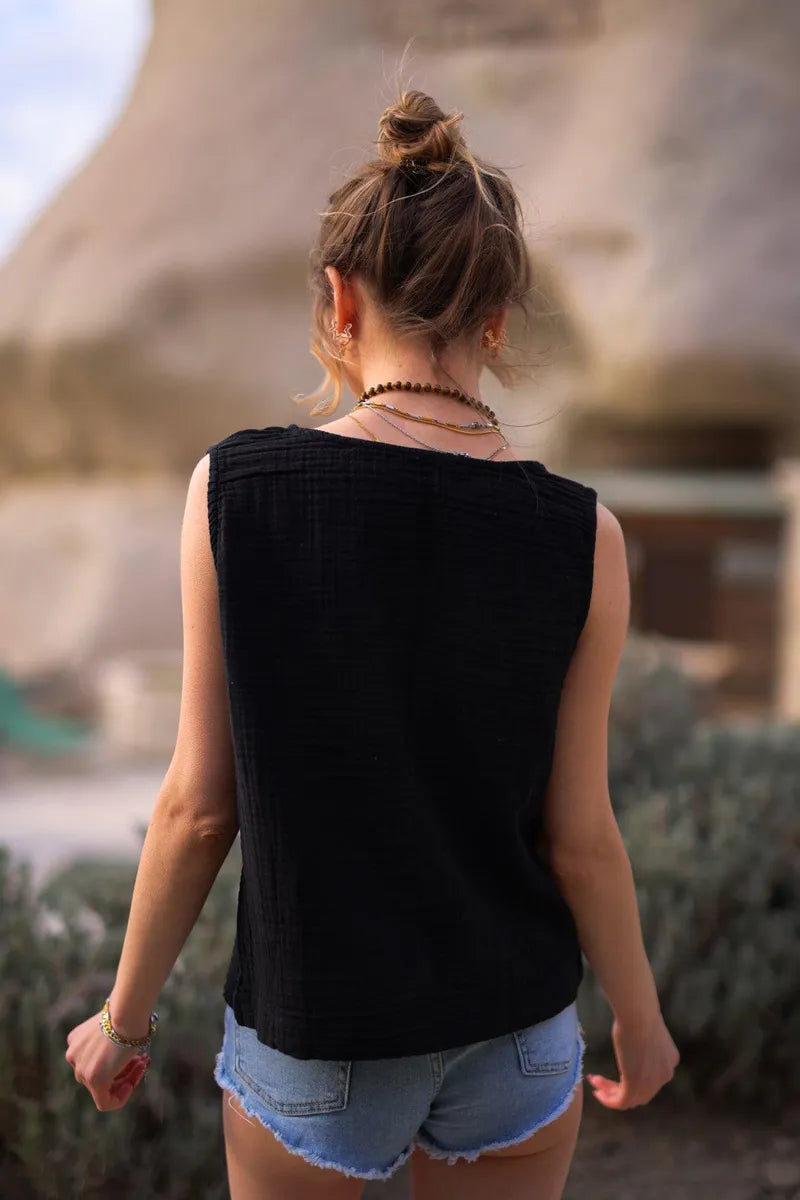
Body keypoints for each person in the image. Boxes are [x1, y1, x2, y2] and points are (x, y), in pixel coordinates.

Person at [65, 85, 679, 1200]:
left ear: (339, 302)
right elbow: (581, 837)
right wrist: (639, 1022)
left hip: (318, 1041)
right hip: (519, 1037)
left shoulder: (235, 492)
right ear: (496, 322)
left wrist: (123, 1019)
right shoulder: (584, 535)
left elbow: (199, 806)